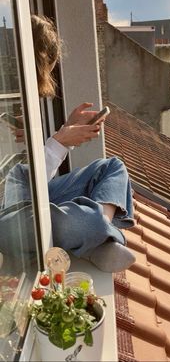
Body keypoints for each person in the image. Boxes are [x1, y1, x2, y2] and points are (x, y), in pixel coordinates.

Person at [3, 15, 136, 273]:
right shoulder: (10, 85)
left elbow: (33, 174)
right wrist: (60, 142)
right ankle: (99, 237)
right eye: (48, 67)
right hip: (7, 213)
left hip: (25, 191)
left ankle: (95, 234)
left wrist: (64, 131)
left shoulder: (23, 95)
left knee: (112, 167)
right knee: (67, 222)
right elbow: (25, 180)